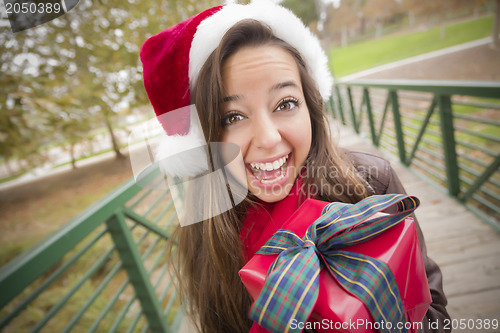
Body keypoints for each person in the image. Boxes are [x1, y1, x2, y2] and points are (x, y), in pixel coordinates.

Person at [140, 1, 450, 332]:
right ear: (206, 140)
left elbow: (434, 310)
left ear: (310, 106)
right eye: (233, 116)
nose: (269, 138)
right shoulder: (209, 228)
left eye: (285, 103)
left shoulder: (369, 182)